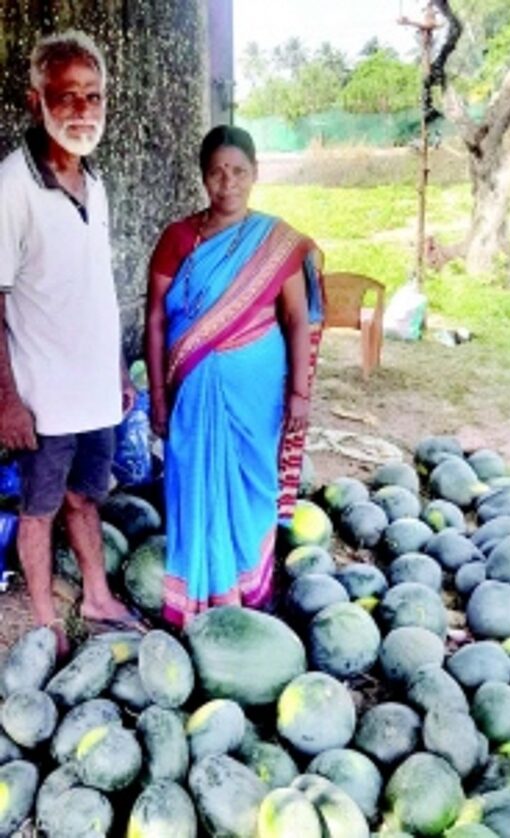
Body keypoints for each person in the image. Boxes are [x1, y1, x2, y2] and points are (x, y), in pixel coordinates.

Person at [145, 125, 324, 629]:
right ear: (203, 176)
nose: (228, 183)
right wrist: (157, 393)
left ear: (255, 174)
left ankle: (252, 587)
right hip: (193, 385)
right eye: (217, 172)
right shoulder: (178, 238)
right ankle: (200, 600)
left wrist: (299, 393)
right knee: (190, 475)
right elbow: (156, 318)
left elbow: (295, 318)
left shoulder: (275, 242)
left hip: (258, 388)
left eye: (239, 171)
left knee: (251, 479)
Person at [0, 31, 139, 653]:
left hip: (93, 387)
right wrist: (6, 401)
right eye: (66, 96)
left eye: (93, 96)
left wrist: (116, 370)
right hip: (45, 393)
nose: (82, 109)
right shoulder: (10, 187)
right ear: (36, 103)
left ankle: (96, 595)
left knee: (86, 498)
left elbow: (96, 287)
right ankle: (44, 622)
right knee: (40, 508)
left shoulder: (97, 180)